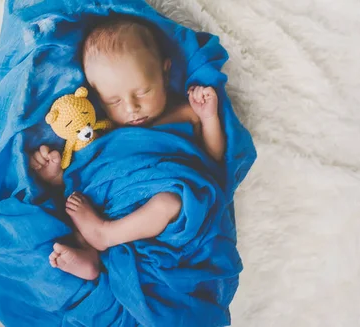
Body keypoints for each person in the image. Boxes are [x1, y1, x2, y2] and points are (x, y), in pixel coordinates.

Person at [29, 17, 226, 280]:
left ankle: (106, 236)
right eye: (114, 101)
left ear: (165, 73)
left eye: (143, 92)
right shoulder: (109, 131)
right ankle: (90, 257)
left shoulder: (185, 113)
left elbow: (213, 156)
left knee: (171, 202)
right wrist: (55, 176)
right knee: (83, 202)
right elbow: (89, 171)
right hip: (115, 204)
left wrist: (209, 117)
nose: (131, 108)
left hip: (166, 210)